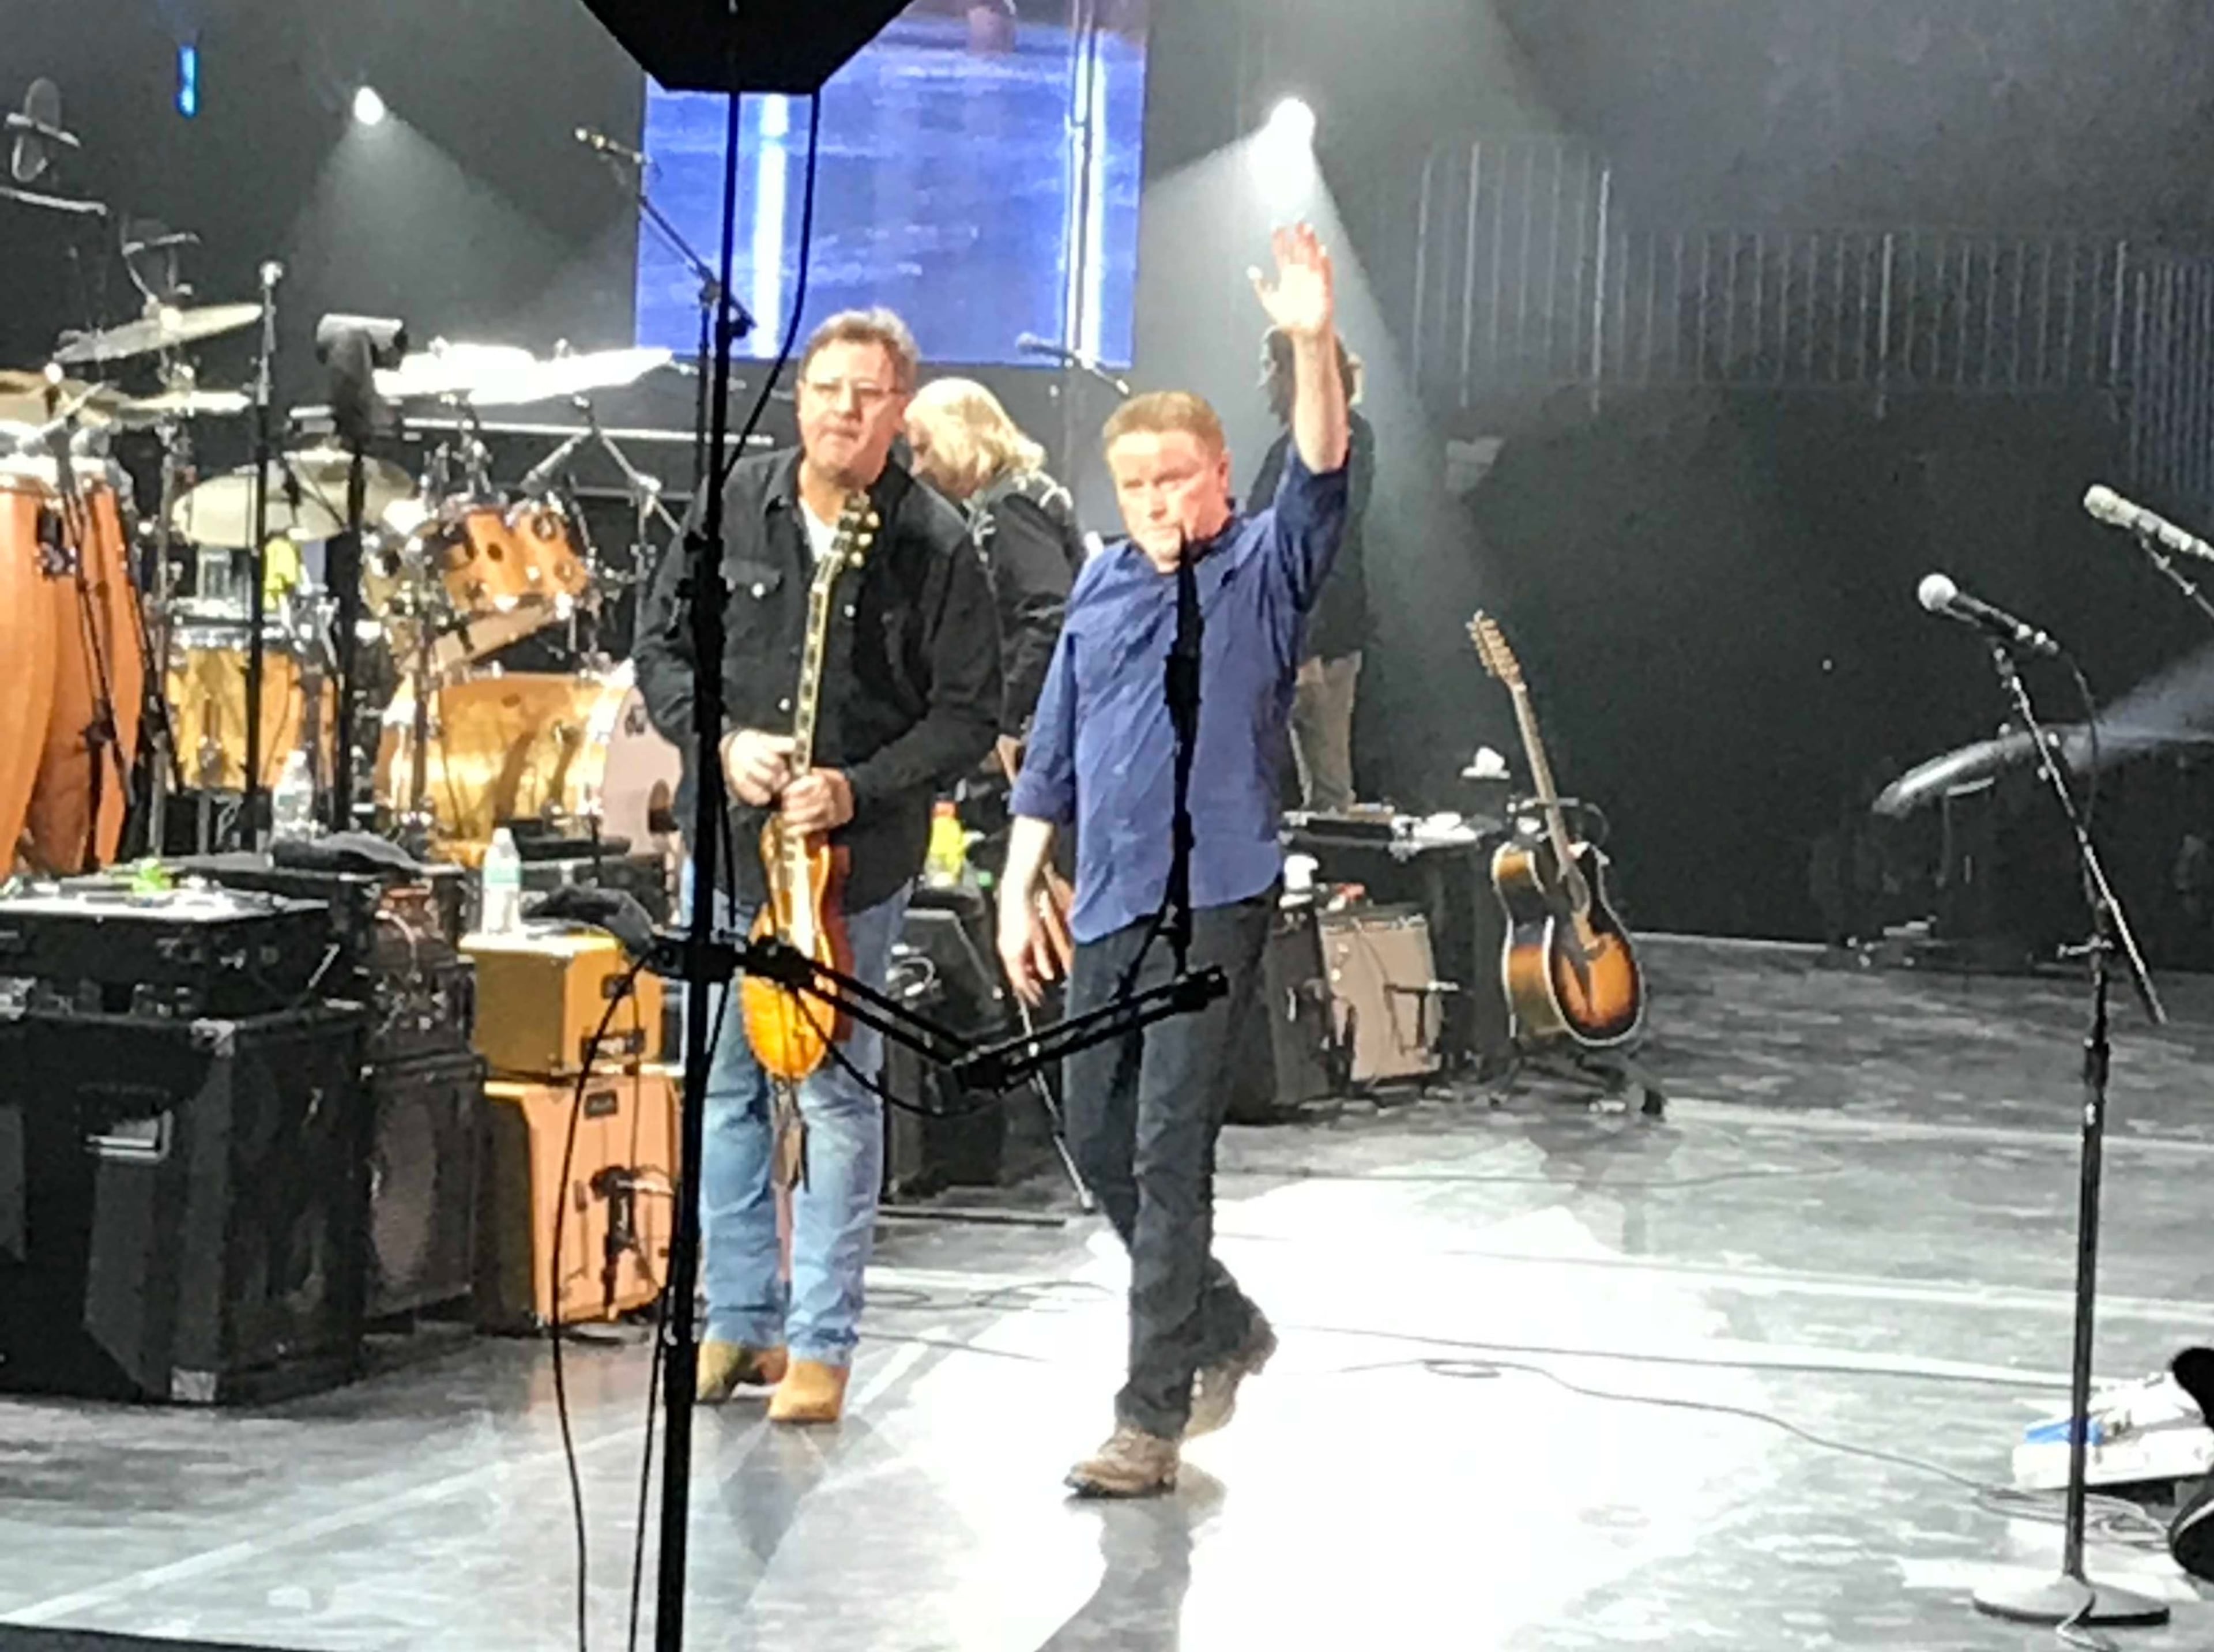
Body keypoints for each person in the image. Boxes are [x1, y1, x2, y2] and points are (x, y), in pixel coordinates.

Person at [997, 224, 1351, 1495]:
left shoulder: (1263, 564)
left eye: (1177, 478)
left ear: (1217, 481)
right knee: (1094, 1133)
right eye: (1136, 481)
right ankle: (1224, 1320)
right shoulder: (1098, 588)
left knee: (1164, 1143)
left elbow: (1319, 465)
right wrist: (1014, 876)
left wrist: (1312, 338)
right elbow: (1054, 747)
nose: (1156, 499)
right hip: (1110, 897)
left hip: (1216, 894)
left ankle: (1148, 1412)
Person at [633, 308, 1001, 1425]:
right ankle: (738, 1315)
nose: (847, 409)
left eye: (870, 393)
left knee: (837, 1095)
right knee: (725, 1083)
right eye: (830, 388)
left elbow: (967, 715)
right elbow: (659, 649)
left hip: (853, 866)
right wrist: (723, 743)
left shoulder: (936, 544)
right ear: (800, 398)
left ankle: (824, 1342)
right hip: (731, 850)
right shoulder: (733, 503)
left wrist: (859, 785)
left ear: (903, 409)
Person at [905, 376, 1086, 757]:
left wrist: (1008, 716)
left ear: (956, 437)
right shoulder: (1018, 494)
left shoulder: (1009, 508)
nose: (917, 468)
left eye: (924, 450)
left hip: (1036, 721)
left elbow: (1049, 612)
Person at [1246, 329, 1373, 812]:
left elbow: (1330, 542)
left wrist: (1307, 643)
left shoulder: (1347, 439)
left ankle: (1335, 876)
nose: (1263, 384)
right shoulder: (1287, 447)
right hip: (1287, 636)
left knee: (1327, 791)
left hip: (1316, 641)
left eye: (1269, 369)